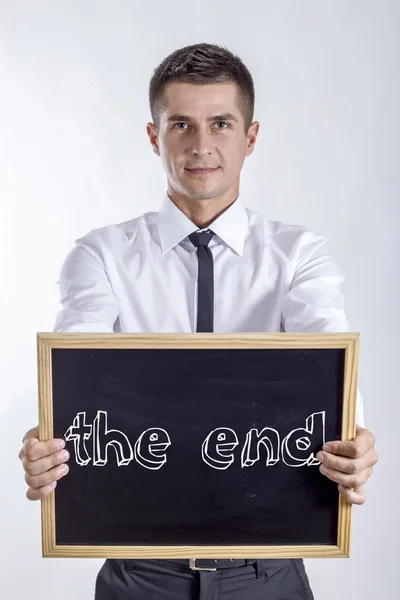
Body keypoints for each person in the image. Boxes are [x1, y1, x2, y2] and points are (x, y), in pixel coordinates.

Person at [18, 42, 378, 600]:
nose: (201, 145)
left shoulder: (300, 256)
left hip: (268, 573)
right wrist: (50, 441)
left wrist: (355, 439)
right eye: (181, 124)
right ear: (153, 136)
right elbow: (74, 372)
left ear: (250, 137)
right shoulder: (101, 256)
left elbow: (328, 356)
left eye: (221, 124)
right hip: (141, 575)